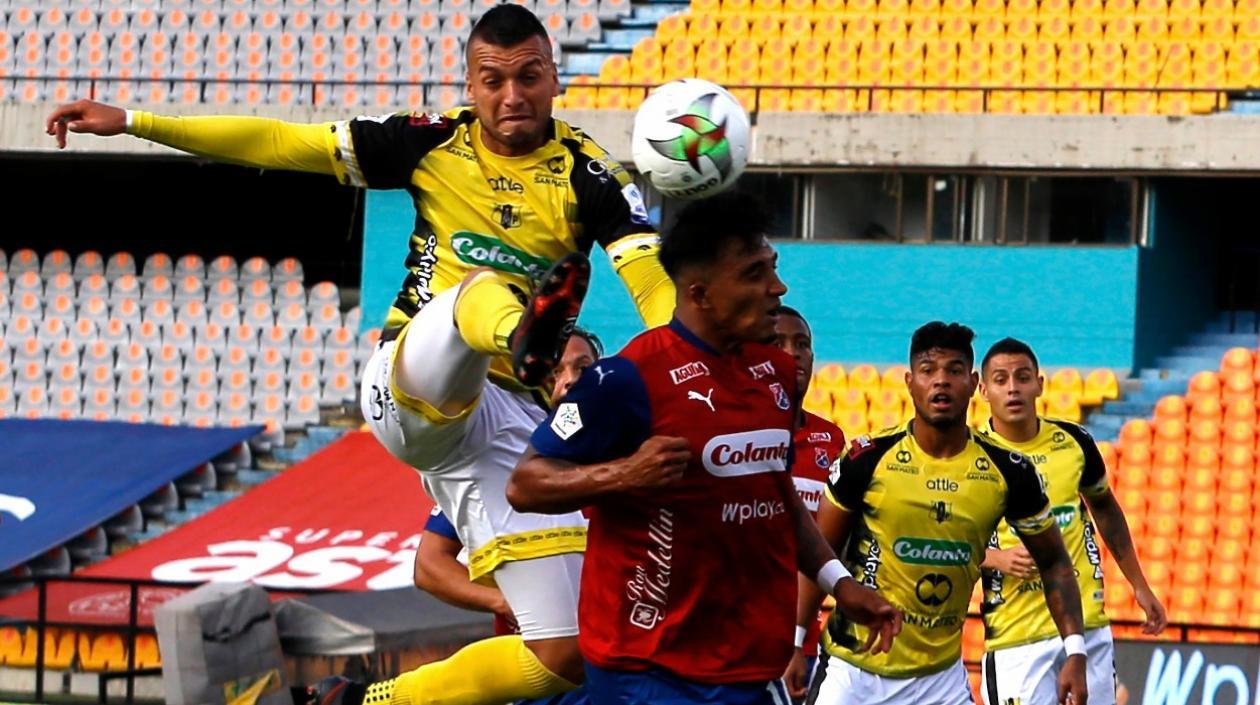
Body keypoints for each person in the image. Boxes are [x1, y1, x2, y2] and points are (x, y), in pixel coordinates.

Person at [47, 7, 674, 705]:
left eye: (529, 76)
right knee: (481, 290)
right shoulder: (428, 142)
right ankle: (517, 334)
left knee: (564, 653)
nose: (512, 96)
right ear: (469, 86)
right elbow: (281, 141)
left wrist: (689, 367)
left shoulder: (589, 173)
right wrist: (137, 120)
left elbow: (650, 280)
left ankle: (364, 700)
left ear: (555, 79)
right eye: (492, 80)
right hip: (410, 380)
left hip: (502, 421)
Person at [506, 192, 902, 705]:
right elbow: (525, 483)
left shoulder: (774, 373)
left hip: (749, 662)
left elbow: (777, 494)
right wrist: (625, 475)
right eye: (755, 273)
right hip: (647, 668)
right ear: (701, 294)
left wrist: (839, 583)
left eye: (773, 268)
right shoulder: (628, 379)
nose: (777, 288)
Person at [797, 322, 1089, 705]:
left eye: (953, 371)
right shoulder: (866, 461)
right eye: (928, 370)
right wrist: (796, 640)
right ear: (909, 381)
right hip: (854, 675)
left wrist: (1076, 651)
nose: (941, 382)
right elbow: (821, 553)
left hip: (940, 683)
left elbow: (1054, 562)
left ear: (971, 383)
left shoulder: (1008, 471)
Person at [977, 337, 1167, 705]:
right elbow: (945, 536)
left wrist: (1139, 585)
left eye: (1022, 377)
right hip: (1017, 636)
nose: (1013, 388)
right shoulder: (972, 455)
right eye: (1000, 380)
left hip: (1087, 627)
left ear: (1040, 384)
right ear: (983, 390)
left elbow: (1106, 509)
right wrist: (995, 558)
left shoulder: (1075, 442)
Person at [772, 305, 847, 698]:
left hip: (806, 644)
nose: (793, 352)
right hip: (732, 637)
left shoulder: (831, 440)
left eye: (802, 344)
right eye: (779, 343)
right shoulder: (731, 436)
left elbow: (829, 542)